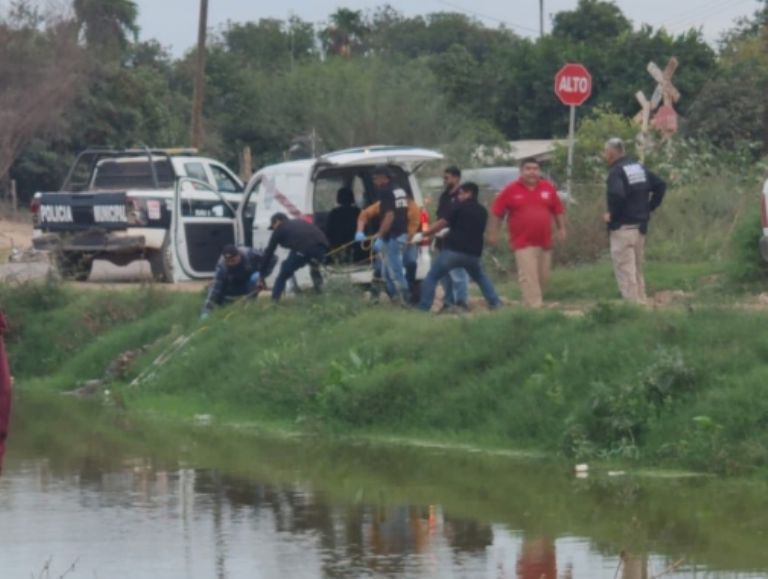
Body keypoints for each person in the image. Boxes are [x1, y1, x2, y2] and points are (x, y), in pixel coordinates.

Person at [488, 157, 566, 309]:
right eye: (528, 169)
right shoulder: (510, 190)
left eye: (535, 169)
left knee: (543, 277)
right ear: (521, 171)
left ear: (539, 171)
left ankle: (529, 305)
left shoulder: (547, 188)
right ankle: (535, 309)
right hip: (522, 242)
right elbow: (497, 212)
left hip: (544, 241)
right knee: (529, 277)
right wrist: (493, 232)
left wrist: (562, 228)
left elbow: (558, 210)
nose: (532, 172)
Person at [415, 182, 501, 312]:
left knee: (432, 277)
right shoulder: (482, 211)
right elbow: (468, 229)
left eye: (461, 193)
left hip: (453, 251)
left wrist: (424, 234)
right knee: (481, 278)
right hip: (473, 254)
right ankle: (496, 304)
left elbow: (442, 223)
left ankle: (423, 308)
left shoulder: (458, 207)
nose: (458, 196)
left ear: (469, 193)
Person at [603, 137, 666, 303]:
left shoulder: (616, 171)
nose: (604, 155)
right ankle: (642, 300)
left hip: (623, 227)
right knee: (637, 268)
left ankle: (632, 307)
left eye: (605, 152)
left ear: (611, 153)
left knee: (625, 269)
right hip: (640, 226)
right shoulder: (638, 168)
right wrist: (649, 207)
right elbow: (661, 185)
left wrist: (612, 215)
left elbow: (617, 194)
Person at [355, 195, 423, 302]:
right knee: (380, 268)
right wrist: (359, 231)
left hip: (406, 242)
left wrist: (392, 245)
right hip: (387, 239)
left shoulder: (413, 208)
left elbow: (410, 232)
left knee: (410, 263)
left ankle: (409, 295)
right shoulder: (384, 204)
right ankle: (386, 296)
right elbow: (364, 215)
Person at [258, 212, 330, 302]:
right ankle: (320, 291)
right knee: (314, 267)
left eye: (273, 226)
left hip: (303, 249)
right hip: (322, 249)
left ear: (277, 221)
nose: (273, 229)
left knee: (283, 274)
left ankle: (274, 301)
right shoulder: (300, 222)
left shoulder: (279, 229)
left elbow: (269, 252)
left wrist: (261, 274)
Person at [368, 165, 410, 304]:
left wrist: (379, 234)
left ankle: (404, 300)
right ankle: (395, 298)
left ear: (382, 177)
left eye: (375, 178)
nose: (374, 182)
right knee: (387, 271)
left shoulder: (385, 191)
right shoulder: (399, 189)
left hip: (393, 235)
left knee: (395, 270)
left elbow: (389, 215)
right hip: (401, 232)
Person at [200, 245, 276, 319]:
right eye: (228, 261)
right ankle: (224, 306)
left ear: (238, 255)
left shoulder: (250, 253)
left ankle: (249, 307)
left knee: (255, 277)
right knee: (212, 287)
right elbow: (215, 288)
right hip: (231, 285)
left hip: (248, 282)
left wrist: (262, 277)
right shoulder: (222, 266)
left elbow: (273, 258)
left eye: (233, 261)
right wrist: (206, 310)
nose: (230, 263)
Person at [436, 166, 470, 311]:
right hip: (443, 240)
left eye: (447, 177)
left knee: (458, 273)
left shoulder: (462, 196)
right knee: (444, 274)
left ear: (456, 178)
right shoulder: (444, 196)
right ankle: (448, 302)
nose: (444, 180)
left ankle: (462, 302)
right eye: (444, 178)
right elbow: (440, 216)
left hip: (457, 239)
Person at [325, 187, 360, 263]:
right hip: (355, 243)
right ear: (352, 198)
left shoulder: (334, 213)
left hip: (338, 244)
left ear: (338, 198)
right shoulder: (357, 212)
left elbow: (328, 231)